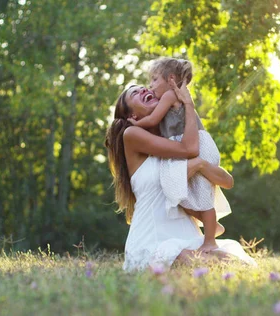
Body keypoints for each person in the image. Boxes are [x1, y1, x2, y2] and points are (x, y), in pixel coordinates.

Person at [104, 79, 256, 272]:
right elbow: (190, 148)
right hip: (153, 240)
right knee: (196, 263)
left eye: (143, 88)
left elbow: (227, 181)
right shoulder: (131, 135)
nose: (143, 89)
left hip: (191, 239)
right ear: (132, 114)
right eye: (135, 93)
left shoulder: (171, 142)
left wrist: (200, 165)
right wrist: (188, 104)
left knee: (233, 264)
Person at [127, 58, 229, 253]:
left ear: (170, 79)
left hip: (199, 146)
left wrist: (136, 124)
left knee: (199, 194)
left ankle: (210, 240)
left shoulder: (169, 96)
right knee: (189, 193)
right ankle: (211, 230)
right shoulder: (176, 96)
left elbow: (154, 118)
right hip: (200, 145)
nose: (151, 85)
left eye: (155, 79)